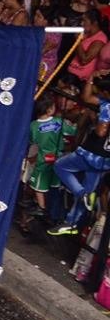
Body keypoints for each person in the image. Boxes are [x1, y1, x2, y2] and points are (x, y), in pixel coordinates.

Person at [49, 73, 110, 236]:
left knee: (60, 166)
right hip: (105, 159)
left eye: (101, 92)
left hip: (92, 153)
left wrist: (96, 120)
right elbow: (87, 97)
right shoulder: (105, 101)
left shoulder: (108, 107)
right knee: (89, 191)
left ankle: (82, 194)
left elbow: (101, 131)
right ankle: (71, 224)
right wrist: (92, 77)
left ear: (106, 93)